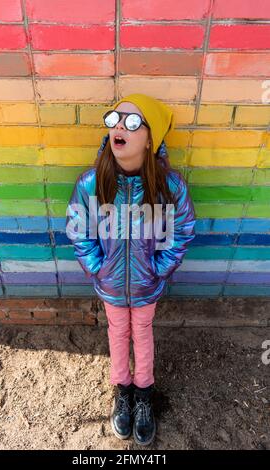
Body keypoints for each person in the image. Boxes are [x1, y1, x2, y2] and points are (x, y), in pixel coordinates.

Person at [66, 93, 196, 446]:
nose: (120, 126)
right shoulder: (91, 184)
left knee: (143, 333)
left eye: (133, 121)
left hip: (146, 287)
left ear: (150, 138)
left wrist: (159, 269)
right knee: (116, 332)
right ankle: (122, 389)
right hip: (109, 286)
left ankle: (144, 394)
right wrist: (97, 267)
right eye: (114, 119)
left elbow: (182, 230)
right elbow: (79, 229)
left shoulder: (168, 187)